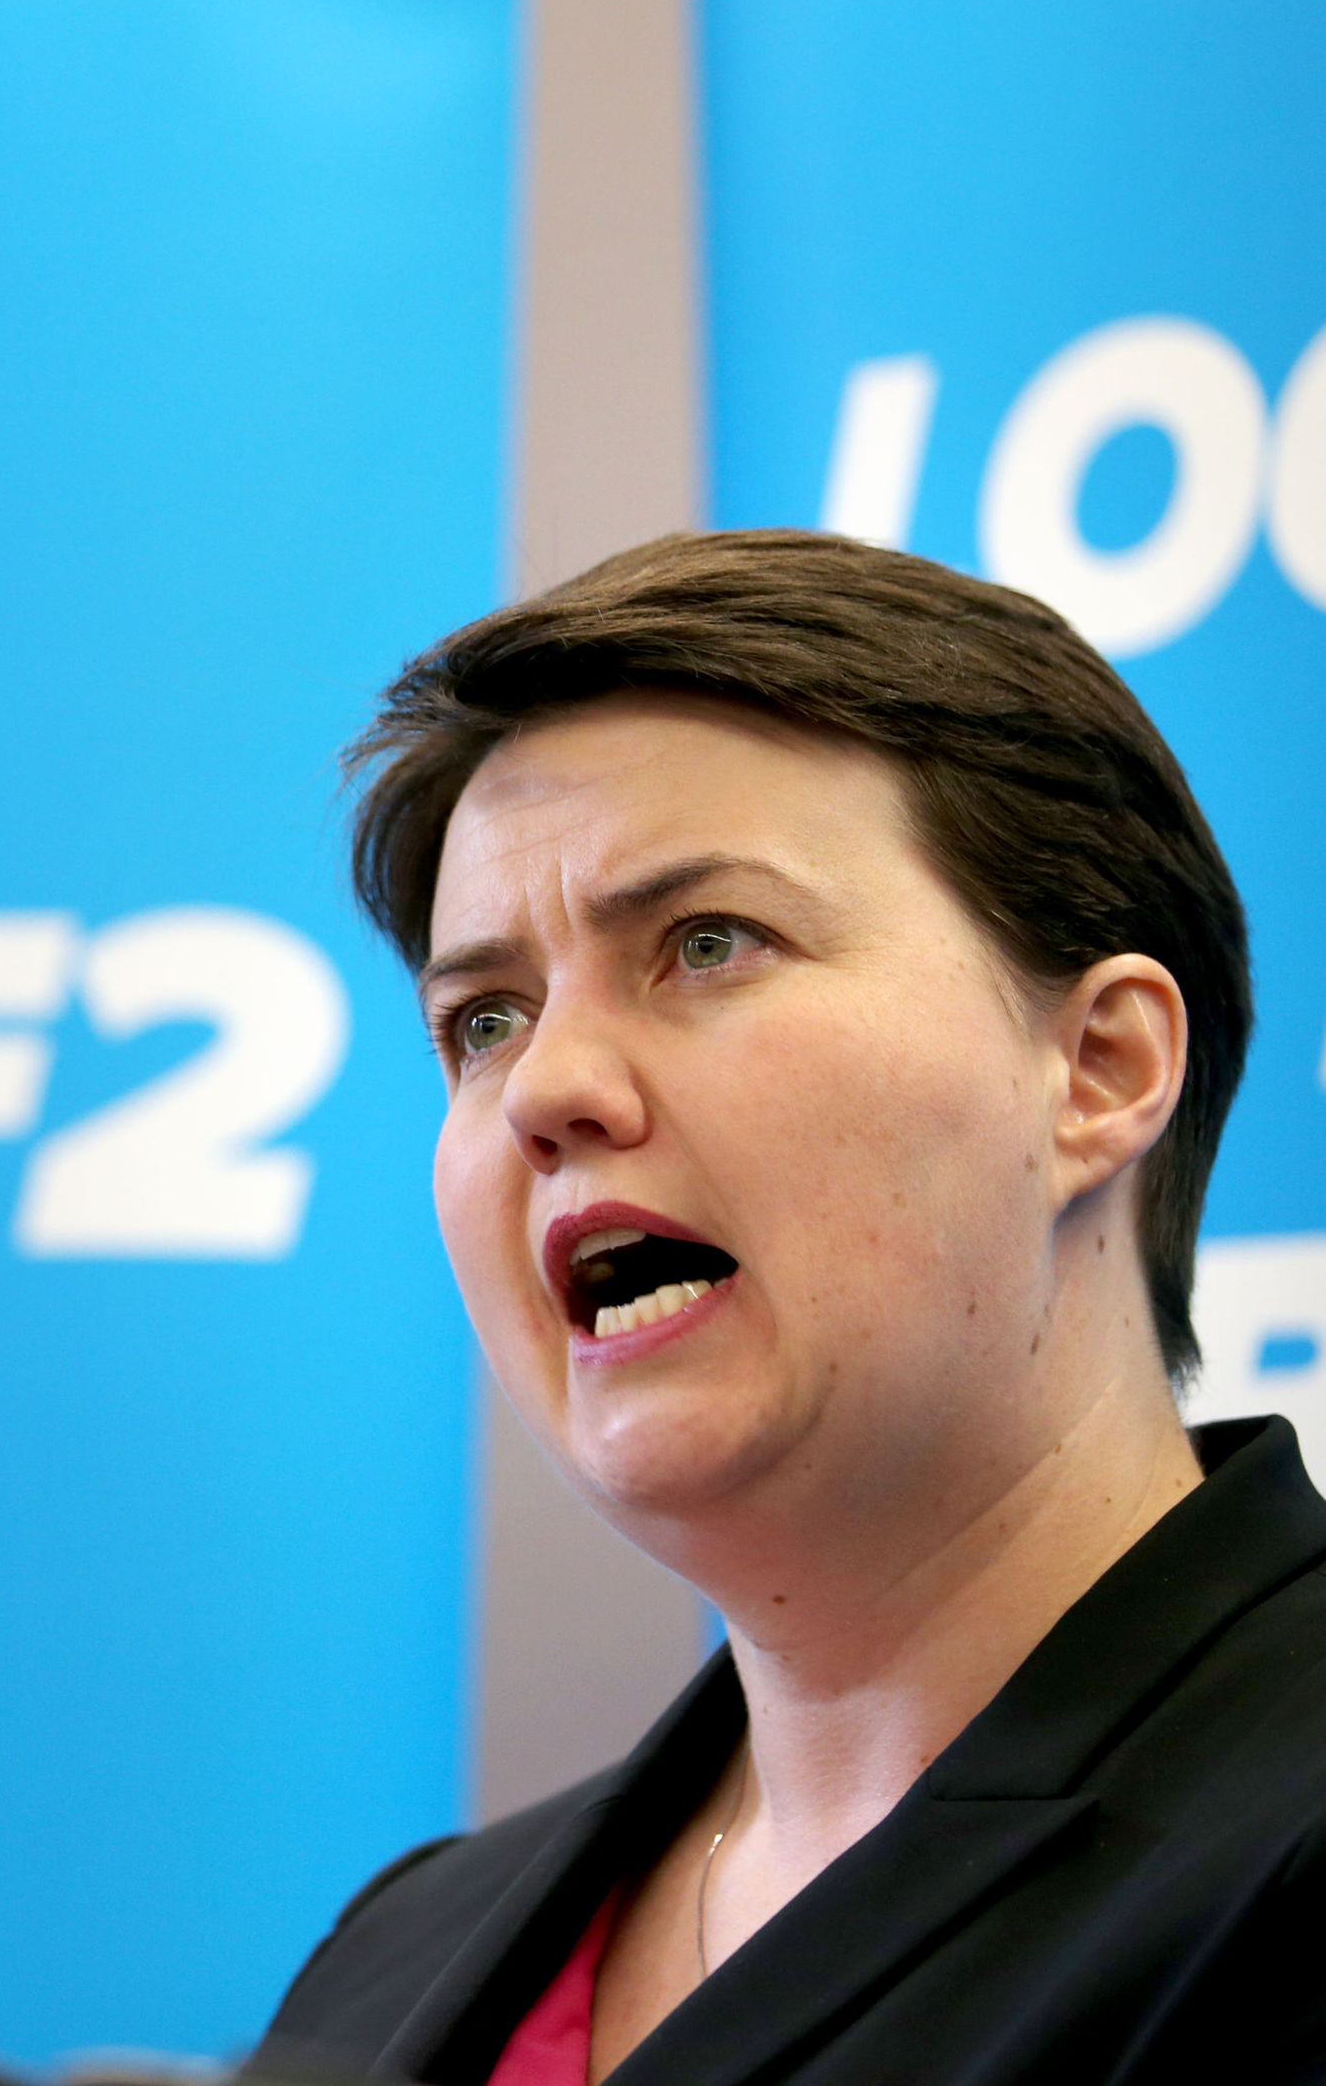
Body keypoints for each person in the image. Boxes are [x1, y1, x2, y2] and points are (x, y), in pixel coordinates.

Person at [249, 530, 1326, 2085]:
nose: (546, 1086)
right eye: (483, 1019)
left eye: (705, 944)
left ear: (1097, 1072)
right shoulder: (393, 1956)